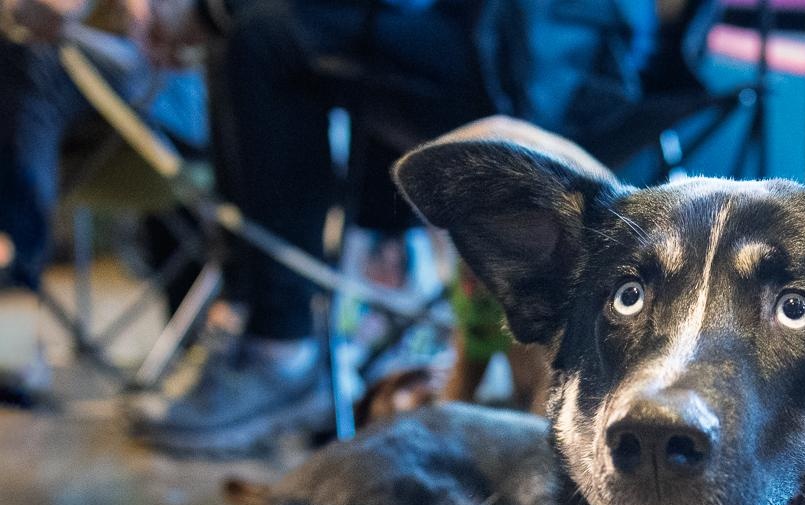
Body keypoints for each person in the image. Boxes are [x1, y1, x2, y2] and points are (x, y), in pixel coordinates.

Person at [134, 0, 496, 456]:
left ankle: (282, 347)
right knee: (252, 33)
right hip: (518, 41)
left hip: (545, 55)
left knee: (266, 38)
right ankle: (269, 321)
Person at [0, 0, 206, 293]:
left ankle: (15, 259)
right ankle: (15, 256)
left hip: (168, 115)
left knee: (28, 60)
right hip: (85, 122)